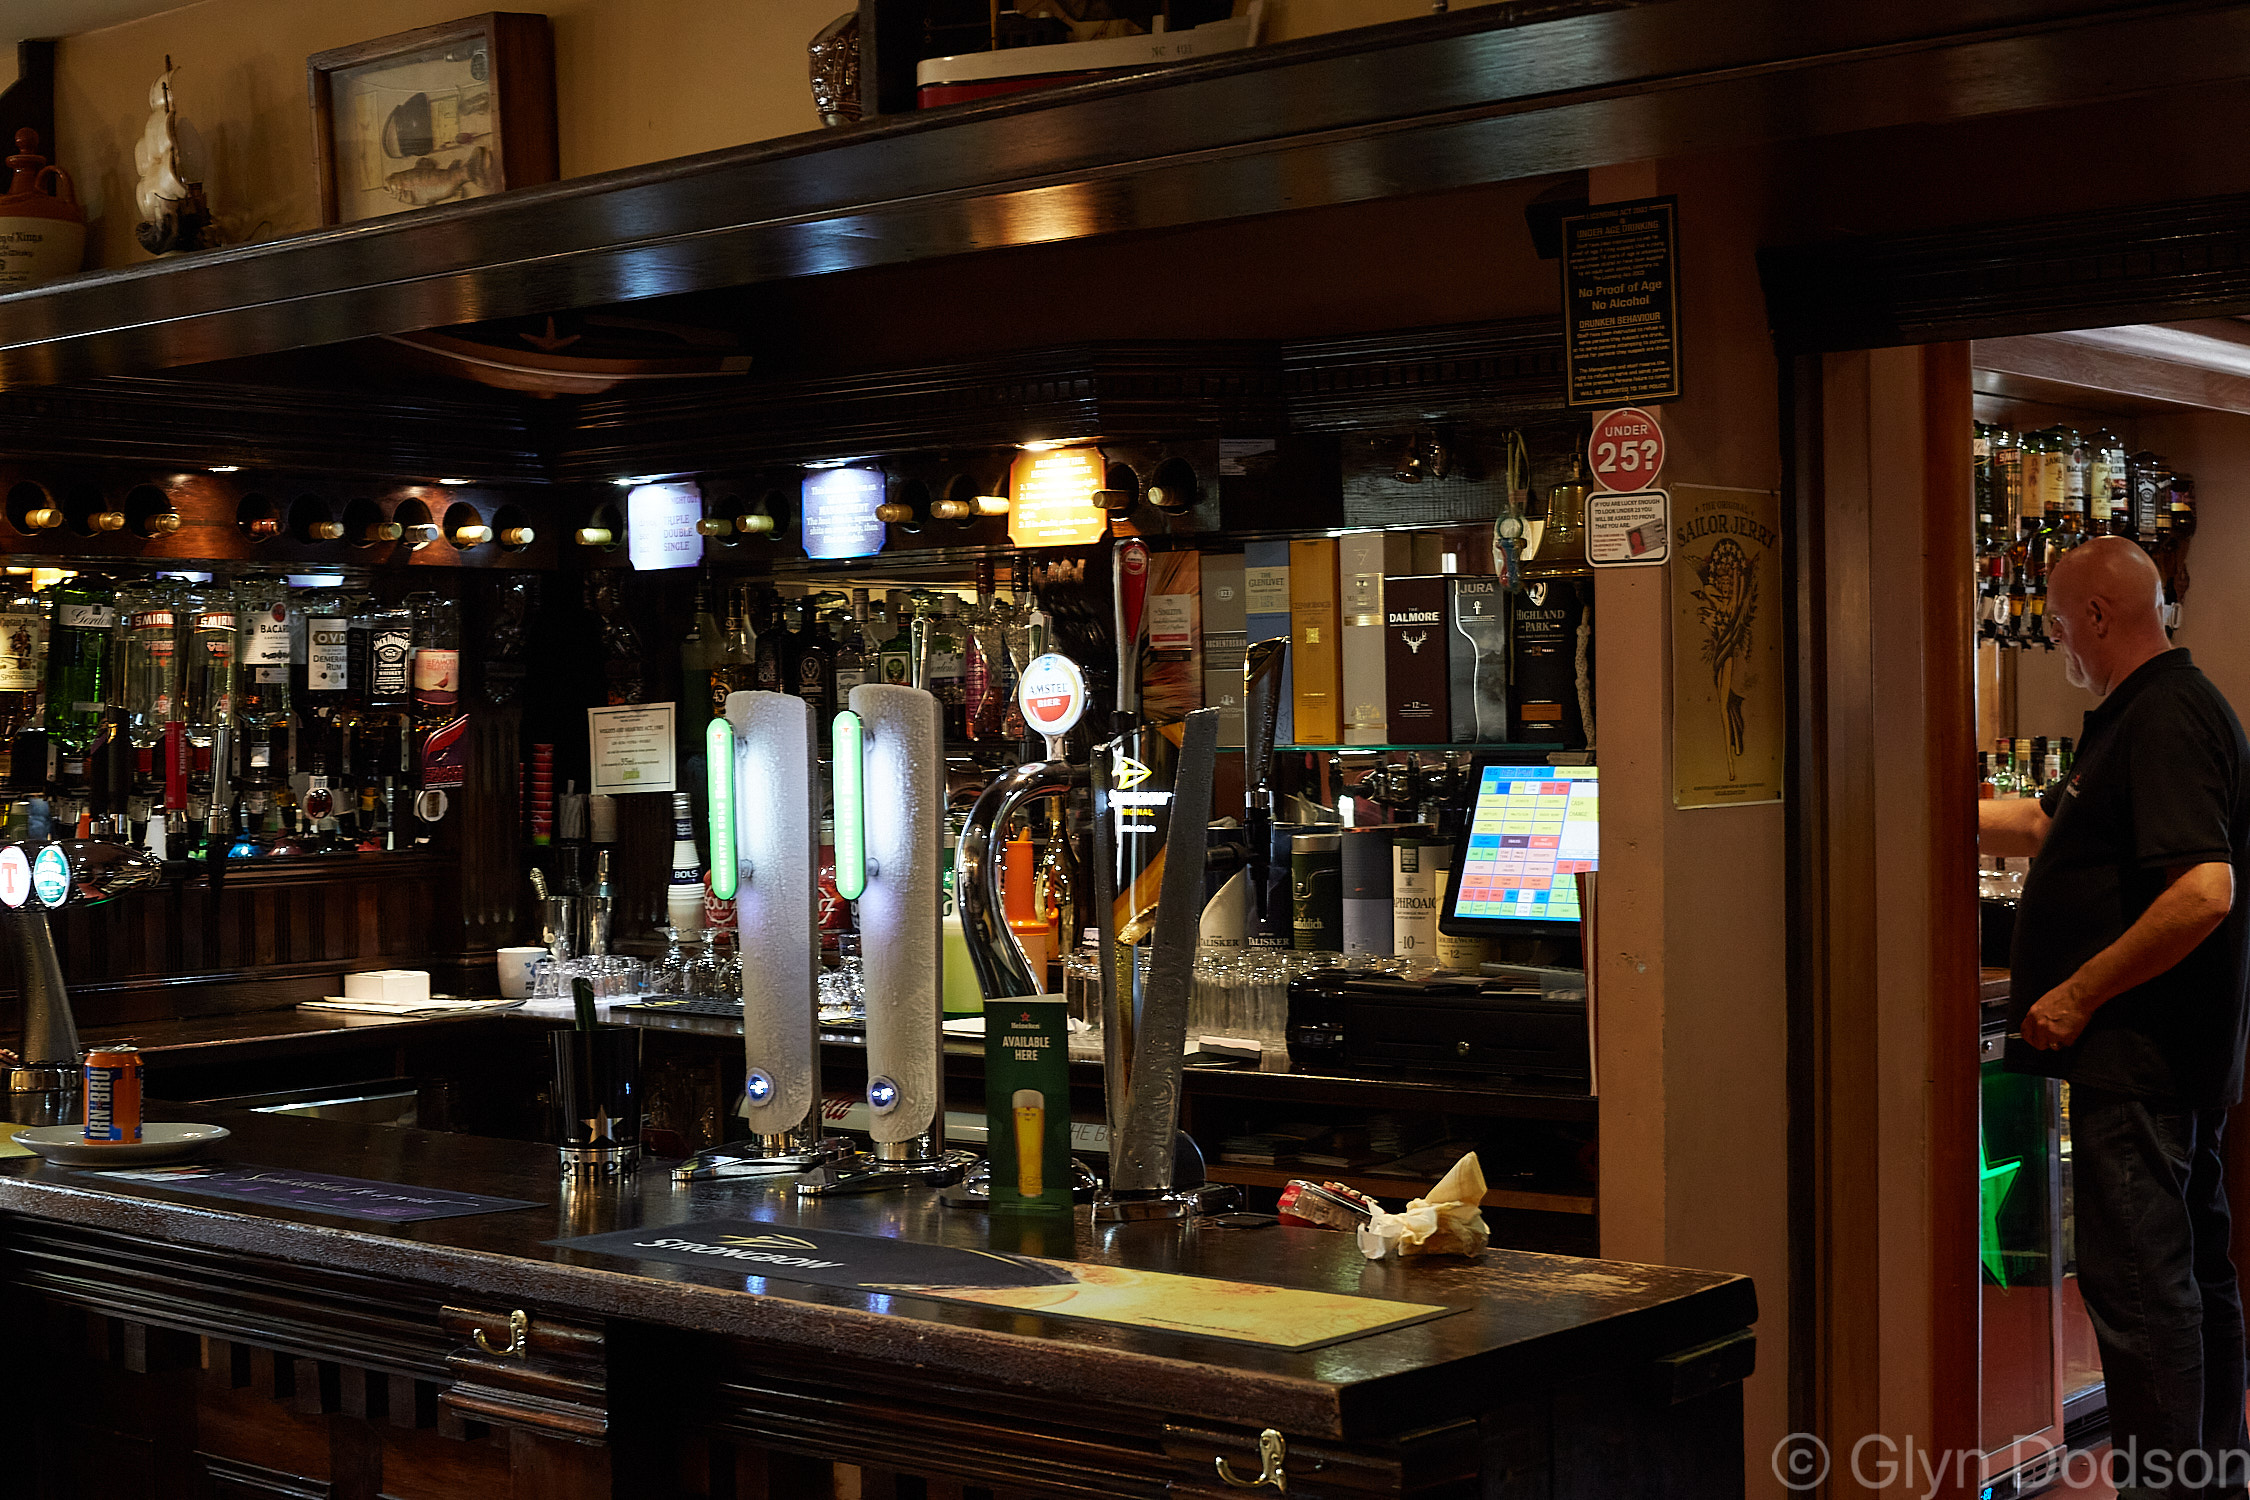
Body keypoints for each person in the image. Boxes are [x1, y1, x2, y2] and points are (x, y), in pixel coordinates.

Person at [1980, 537, 2250, 1499]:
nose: (2057, 642)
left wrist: (2078, 991)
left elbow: (2205, 891)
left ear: (2097, 616)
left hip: (2142, 1059)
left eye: (2058, 625)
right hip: (2166, 1061)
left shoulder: (2167, 716)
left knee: (2142, 1295)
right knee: (2192, 1280)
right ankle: (2212, 1476)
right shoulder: (2140, 713)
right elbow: (2043, 826)